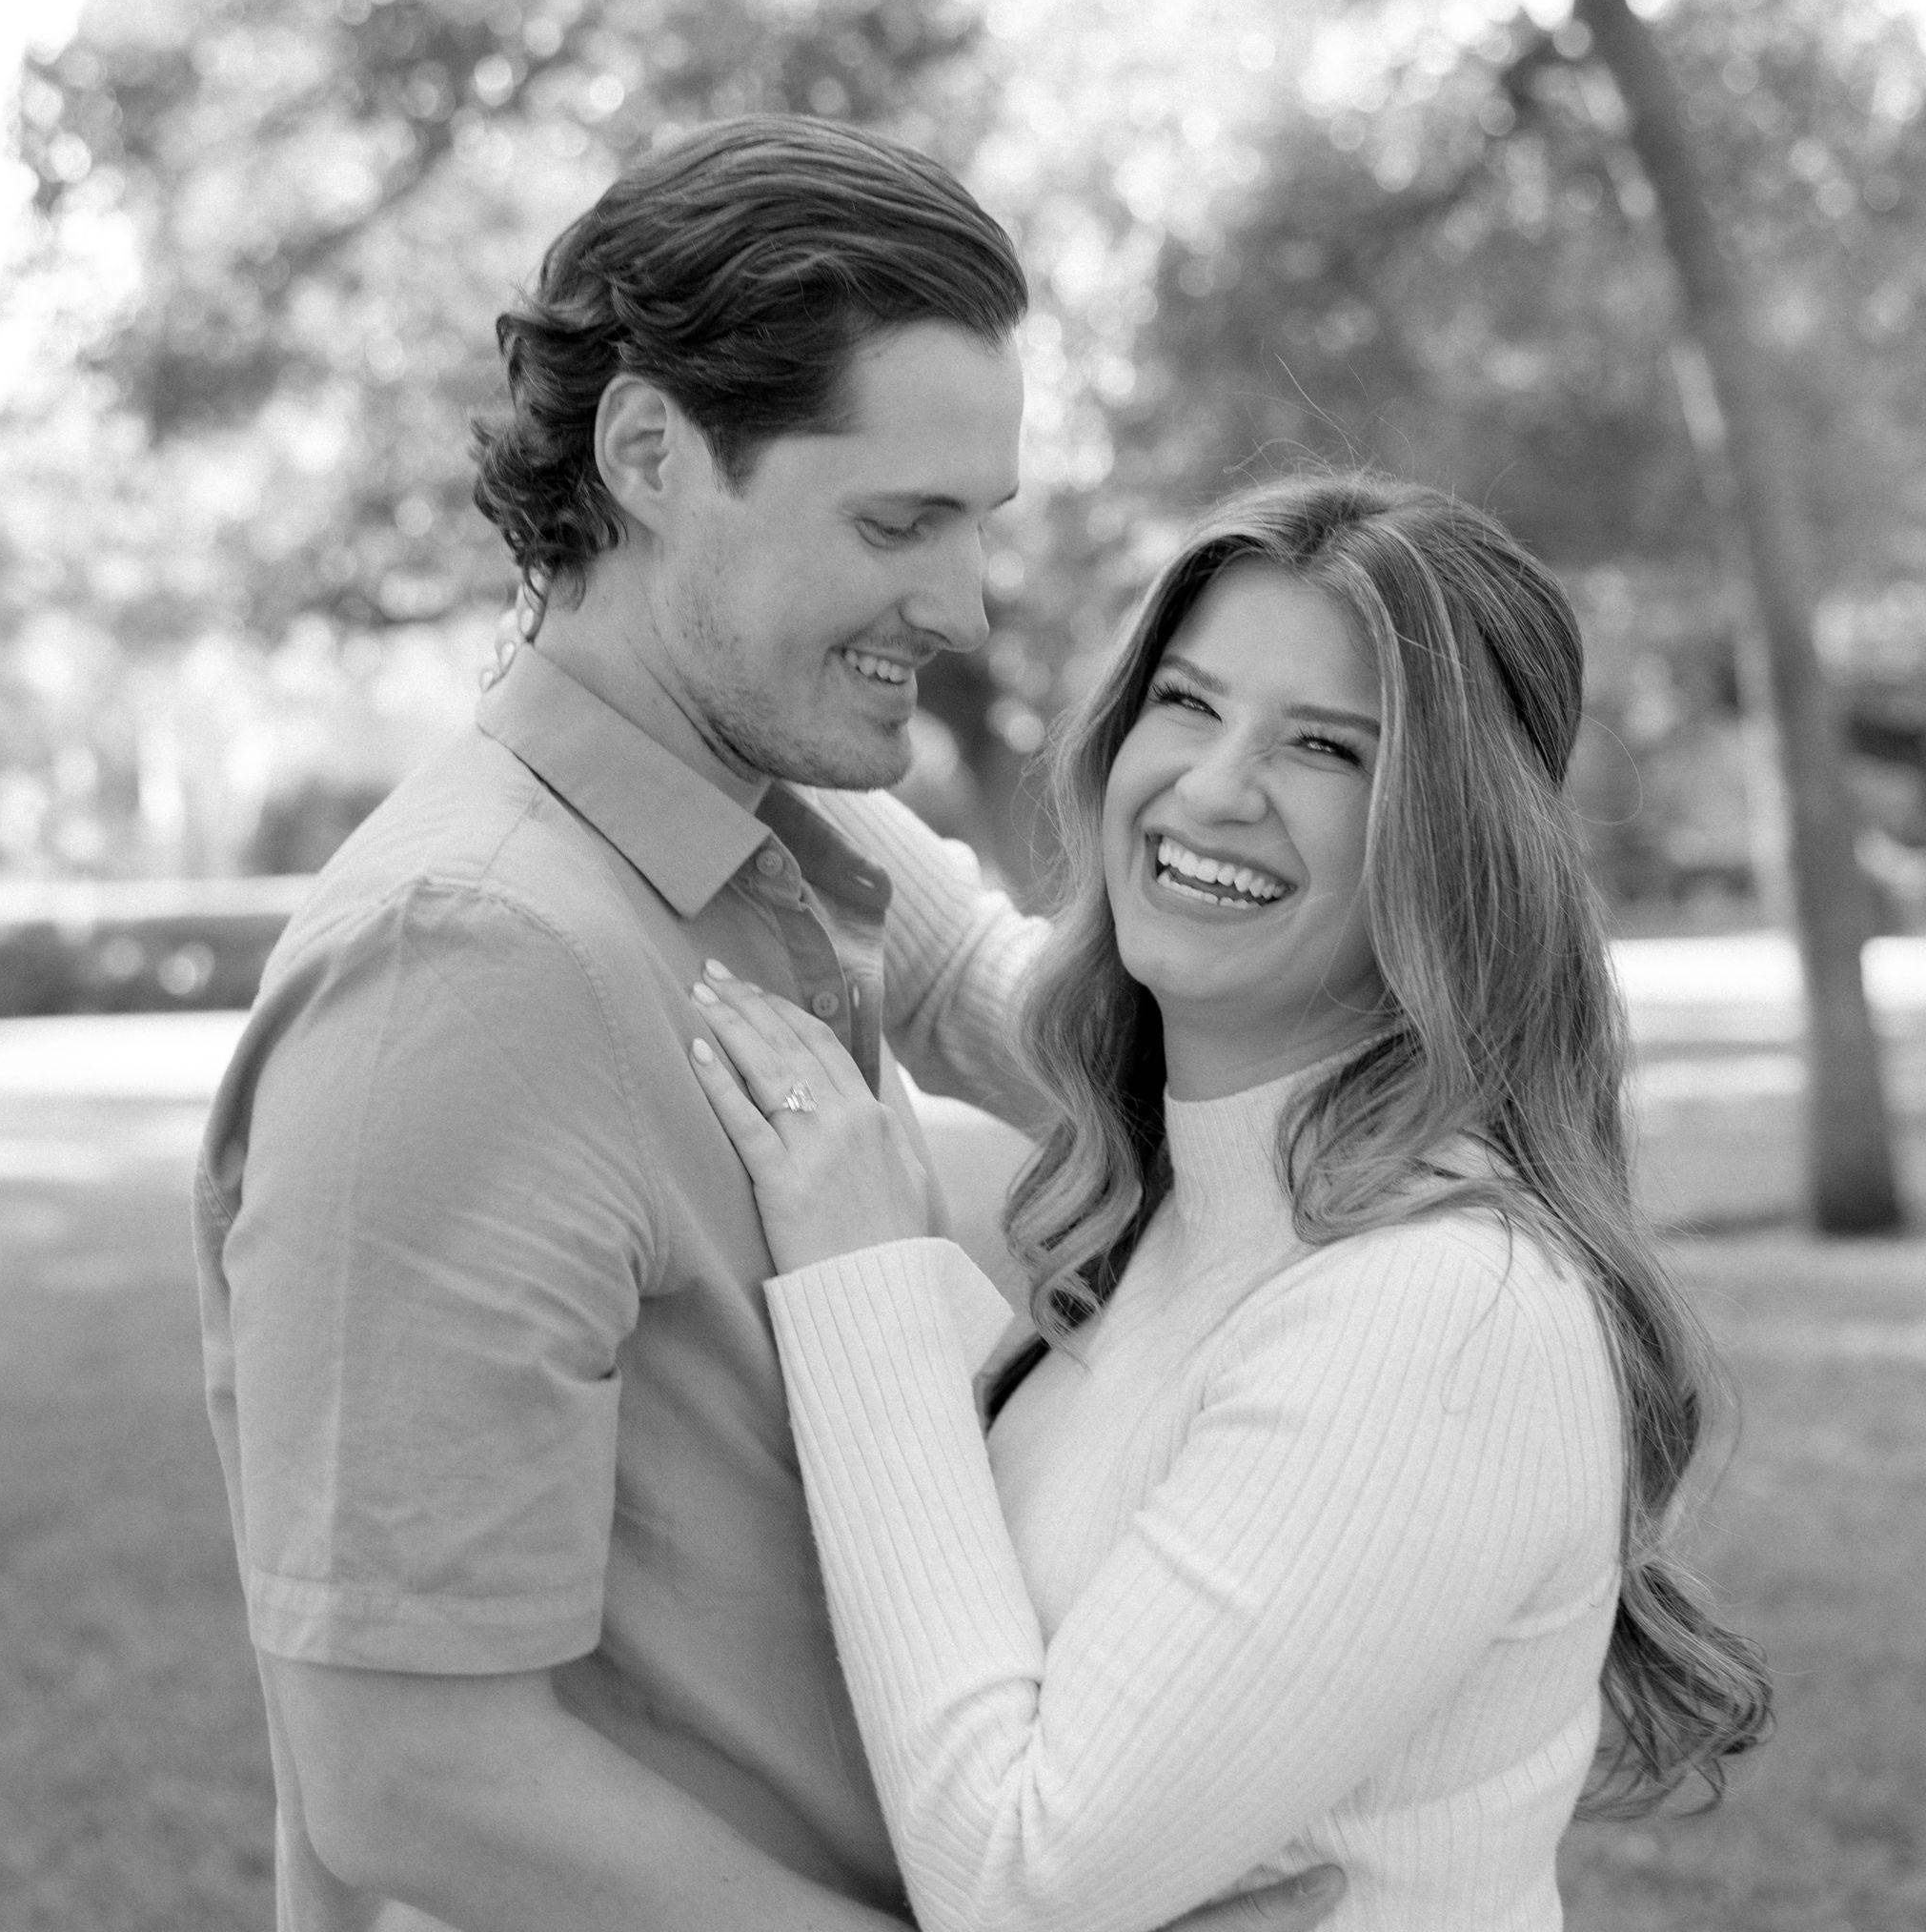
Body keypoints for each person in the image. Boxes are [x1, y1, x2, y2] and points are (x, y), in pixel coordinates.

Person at [194, 116, 1346, 1932]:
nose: (961, 607)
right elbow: (409, 1775)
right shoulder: (471, 967)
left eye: (978, 525)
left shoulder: (766, 840)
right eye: (897, 523)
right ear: (649, 453)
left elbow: (1076, 1037)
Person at [689, 473, 1774, 1932]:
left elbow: (1015, 1883)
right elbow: (943, 954)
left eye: (1325, 745)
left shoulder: (1436, 1314)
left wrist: (863, 1275)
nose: (1211, 788)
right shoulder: (1204, 1151)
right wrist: (623, 594)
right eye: (1187, 703)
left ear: (1455, 838)